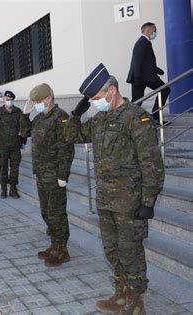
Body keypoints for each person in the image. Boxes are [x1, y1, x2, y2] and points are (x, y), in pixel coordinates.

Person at [65, 63, 165, 314]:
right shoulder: (100, 119)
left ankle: (135, 300)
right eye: (92, 100)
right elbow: (73, 136)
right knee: (112, 250)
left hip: (130, 202)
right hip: (106, 199)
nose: (95, 103)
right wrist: (76, 115)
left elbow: (152, 163)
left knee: (130, 251)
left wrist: (148, 202)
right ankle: (121, 293)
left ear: (111, 91)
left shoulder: (136, 118)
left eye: (96, 98)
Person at [20, 83, 75, 267]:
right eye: (33, 102)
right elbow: (24, 132)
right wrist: (26, 114)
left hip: (54, 175)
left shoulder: (61, 118)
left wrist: (63, 175)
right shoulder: (39, 118)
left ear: (49, 99)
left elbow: (67, 148)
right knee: (46, 211)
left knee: (57, 212)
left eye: (37, 101)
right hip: (41, 173)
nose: (35, 104)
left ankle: (62, 250)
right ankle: (53, 246)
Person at [127, 22, 170, 123]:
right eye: (154, 30)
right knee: (164, 90)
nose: (155, 33)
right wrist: (137, 79)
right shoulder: (143, 42)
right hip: (142, 78)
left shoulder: (144, 42)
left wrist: (157, 70)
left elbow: (146, 62)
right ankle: (154, 116)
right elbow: (137, 61)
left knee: (137, 102)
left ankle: (154, 116)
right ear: (148, 31)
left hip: (144, 77)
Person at [0, 90, 26, 199]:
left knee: (15, 169)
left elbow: (24, 128)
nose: (9, 101)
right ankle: (3, 189)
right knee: (3, 169)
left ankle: (13, 190)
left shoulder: (18, 112)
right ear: (3, 100)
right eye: (7, 100)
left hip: (15, 147)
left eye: (11, 100)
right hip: (2, 147)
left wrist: (23, 142)